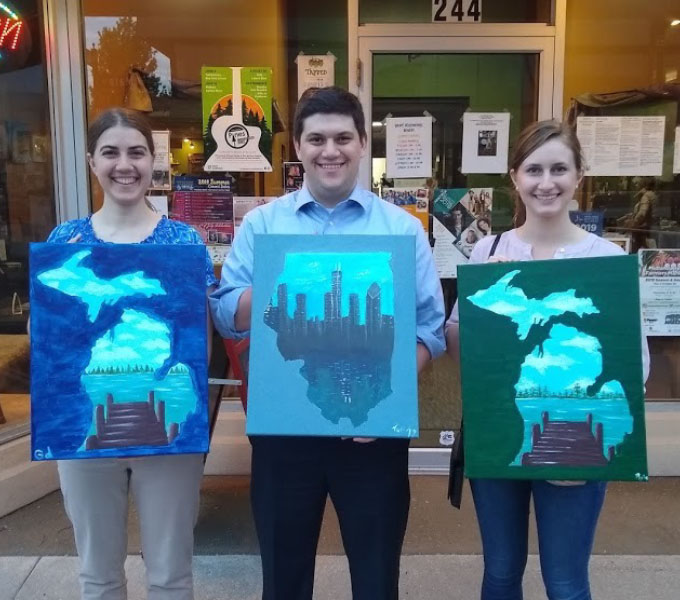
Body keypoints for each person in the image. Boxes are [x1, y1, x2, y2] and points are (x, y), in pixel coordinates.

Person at [210, 86, 445, 600]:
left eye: (343, 137)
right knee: (284, 577)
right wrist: (279, 282)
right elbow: (227, 315)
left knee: (377, 576)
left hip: (371, 436)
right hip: (284, 436)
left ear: (363, 143)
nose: (329, 150)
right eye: (316, 138)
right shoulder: (262, 225)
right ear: (298, 147)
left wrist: (386, 404)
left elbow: (428, 328)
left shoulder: (402, 229)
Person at [445, 119, 650, 600]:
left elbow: (633, 365)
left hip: (575, 432)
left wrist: (593, 435)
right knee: (499, 572)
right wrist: (482, 308)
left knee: (565, 581)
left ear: (580, 175)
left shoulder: (606, 258)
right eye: (533, 169)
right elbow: (457, 346)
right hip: (500, 430)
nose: (546, 182)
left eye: (560, 168)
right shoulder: (487, 251)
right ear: (514, 177)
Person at [45, 108, 217, 600]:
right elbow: (48, 340)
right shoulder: (65, 242)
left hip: (168, 427)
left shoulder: (184, 242)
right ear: (91, 161)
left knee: (170, 573)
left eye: (136, 152)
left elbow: (198, 342)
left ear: (152, 159)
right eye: (112, 152)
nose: (125, 164)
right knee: (97, 574)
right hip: (83, 427)